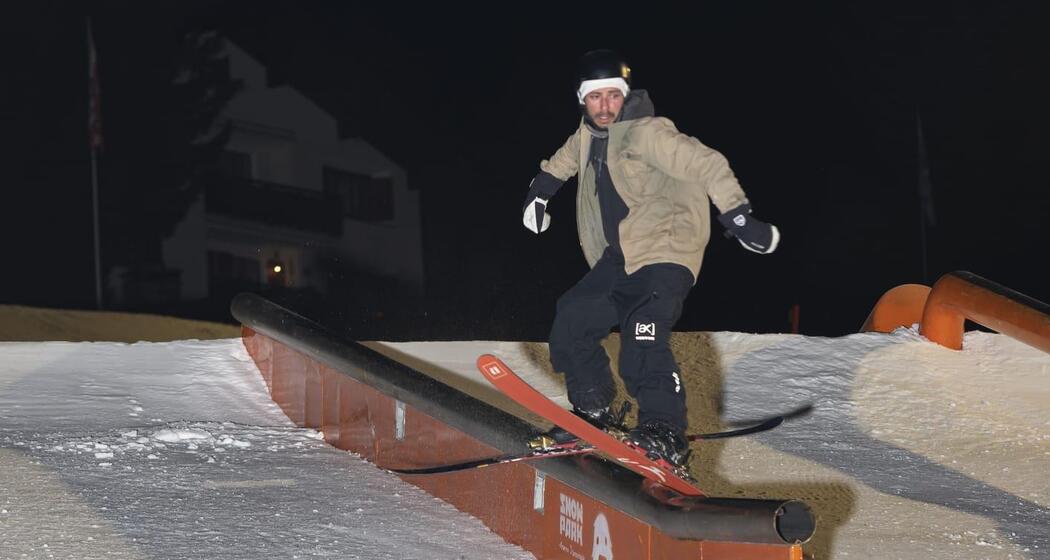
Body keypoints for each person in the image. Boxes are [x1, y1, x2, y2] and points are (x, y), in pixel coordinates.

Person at [522, 49, 779, 467]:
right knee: (572, 318)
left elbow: (707, 164)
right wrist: (540, 193)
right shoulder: (587, 135)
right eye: (595, 98)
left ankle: (665, 429)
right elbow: (562, 161)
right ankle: (593, 411)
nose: (605, 107)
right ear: (582, 100)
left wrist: (740, 217)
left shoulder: (650, 132)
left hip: (664, 253)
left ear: (625, 96)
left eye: (613, 96)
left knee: (642, 335)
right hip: (620, 258)